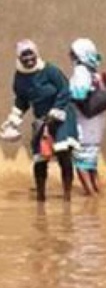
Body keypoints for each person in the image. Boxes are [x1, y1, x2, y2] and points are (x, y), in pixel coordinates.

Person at [1, 40, 79, 202]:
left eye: (31, 54)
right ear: (19, 57)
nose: (29, 59)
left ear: (36, 54)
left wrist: (56, 110)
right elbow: (22, 100)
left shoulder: (50, 71)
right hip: (41, 118)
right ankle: (41, 197)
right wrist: (14, 120)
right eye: (24, 55)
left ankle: (67, 196)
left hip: (62, 114)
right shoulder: (19, 78)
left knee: (63, 153)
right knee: (40, 158)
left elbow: (65, 90)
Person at [69, 38, 106, 196]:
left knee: (80, 161)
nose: (70, 55)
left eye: (72, 52)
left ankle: (91, 197)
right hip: (96, 120)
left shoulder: (81, 70)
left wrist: (63, 94)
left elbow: (79, 93)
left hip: (84, 121)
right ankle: (98, 192)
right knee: (91, 160)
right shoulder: (93, 71)